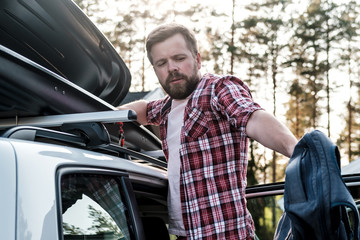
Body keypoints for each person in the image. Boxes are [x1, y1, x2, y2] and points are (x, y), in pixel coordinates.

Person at [118, 23, 298, 240]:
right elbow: (145, 109)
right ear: (155, 69)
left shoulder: (218, 89)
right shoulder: (166, 108)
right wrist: (107, 115)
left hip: (225, 234)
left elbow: (253, 117)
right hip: (185, 235)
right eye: (161, 63)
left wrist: (297, 151)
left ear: (197, 59)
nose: (172, 67)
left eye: (179, 58)